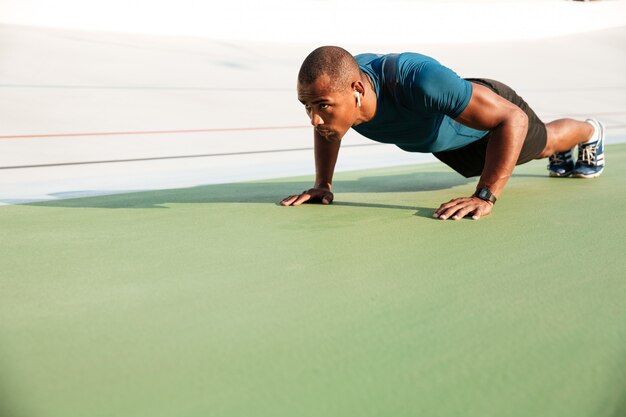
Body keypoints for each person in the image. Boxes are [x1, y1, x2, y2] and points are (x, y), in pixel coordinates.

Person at [279, 46, 605, 220]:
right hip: (450, 144)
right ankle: (564, 149)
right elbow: (328, 132)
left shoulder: (417, 80)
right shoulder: (342, 88)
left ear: (357, 90)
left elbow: (513, 119)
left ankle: (590, 131)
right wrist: (323, 184)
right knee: (511, 158)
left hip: (491, 116)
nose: (315, 119)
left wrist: (485, 196)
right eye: (306, 106)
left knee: (544, 145)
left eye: (322, 106)